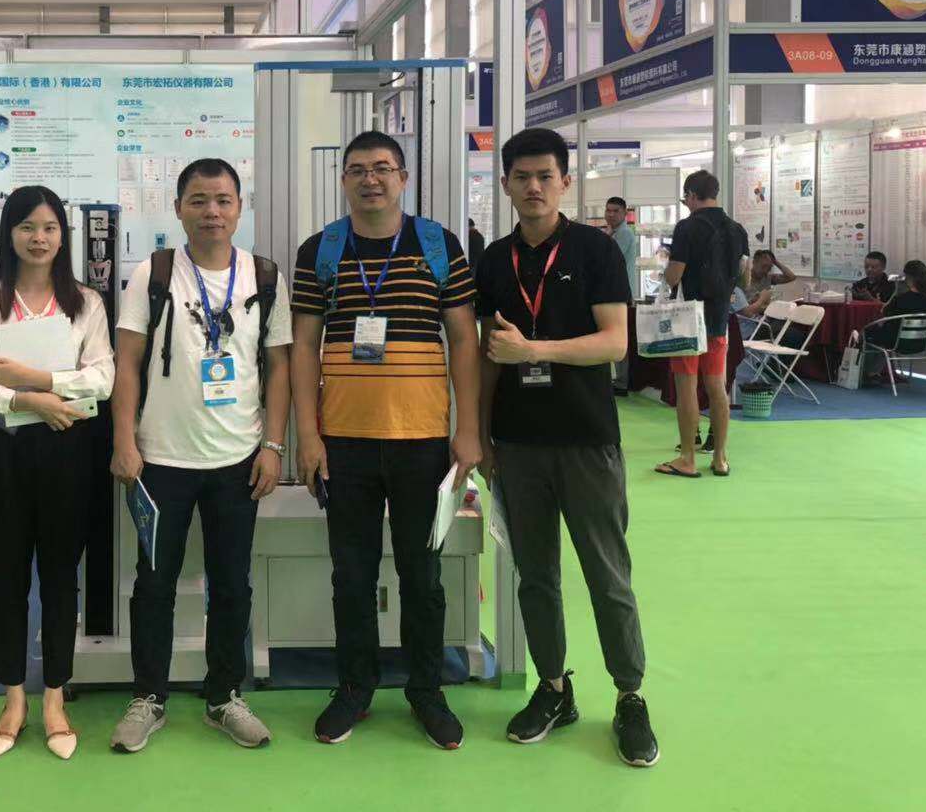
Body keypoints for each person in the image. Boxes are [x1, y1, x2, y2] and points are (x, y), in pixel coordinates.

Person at [473, 126, 658, 769]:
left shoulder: (595, 250)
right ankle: (554, 688)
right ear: (505, 184)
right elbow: (488, 355)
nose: (533, 187)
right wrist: (480, 434)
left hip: (587, 441)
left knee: (607, 575)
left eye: (545, 177)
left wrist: (535, 349)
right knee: (536, 577)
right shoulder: (494, 262)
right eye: (522, 177)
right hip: (518, 446)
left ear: (565, 182)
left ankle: (629, 695)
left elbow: (615, 343)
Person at [291, 131, 481, 751]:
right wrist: (308, 436)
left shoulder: (438, 245)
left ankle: (427, 690)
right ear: (343, 180)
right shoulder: (321, 250)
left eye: (381, 168)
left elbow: (464, 340)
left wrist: (467, 432)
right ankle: (355, 686)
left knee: (423, 575)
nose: (369, 179)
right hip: (343, 443)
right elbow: (303, 347)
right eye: (357, 170)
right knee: (351, 575)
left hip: (423, 441)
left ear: (403, 177)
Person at [108, 158, 293, 753]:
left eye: (222, 200)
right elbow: (126, 362)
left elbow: (281, 368)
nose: (211, 211)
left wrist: (273, 446)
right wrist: (123, 440)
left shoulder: (264, 277)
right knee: (153, 584)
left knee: (232, 584)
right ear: (179, 208)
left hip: (238, 459)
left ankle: (224, 696)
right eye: (198, 200)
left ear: (239, 207)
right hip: (160, 461)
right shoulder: (154, 273)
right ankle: (148, 697)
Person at [0, 186, 115, 761]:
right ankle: (14, 698)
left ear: (63, 236)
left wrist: (36, 380)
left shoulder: (85, 303)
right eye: (27, 227)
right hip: (5, 453)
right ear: (9, 234)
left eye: (49, 228)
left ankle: (55, 698)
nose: (38, 238)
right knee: (7, 576)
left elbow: (102, 379)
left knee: (61, 576)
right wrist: (25, 400)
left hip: (69, 452)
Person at [658, 170, 748, 479]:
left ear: (692, 195)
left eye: (685, 198)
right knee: (717, 387)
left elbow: (674, 276)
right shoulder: (737, 229)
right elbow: (745, 277)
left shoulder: (687, 227)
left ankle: (687, 458)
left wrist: (665, 269)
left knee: (687, 387)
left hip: (688, 318)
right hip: (719, 319)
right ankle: (720, 458)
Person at [861, 260, 926, 379]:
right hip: (922, 342)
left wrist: (896, 293)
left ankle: (867, 371)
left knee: (866, 331)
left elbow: (884, 313)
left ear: (907, 277)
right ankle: (874, 371)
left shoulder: (902, 299)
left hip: (896, 342)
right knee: (880, 333)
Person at [605, 197, 640, 300]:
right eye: (608, 210)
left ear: (625, 213)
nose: (611, 214)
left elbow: (608, 259)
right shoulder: (613, 231)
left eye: (616, 211)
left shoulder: (624, 232)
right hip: (616, 289)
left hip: (621, 290)